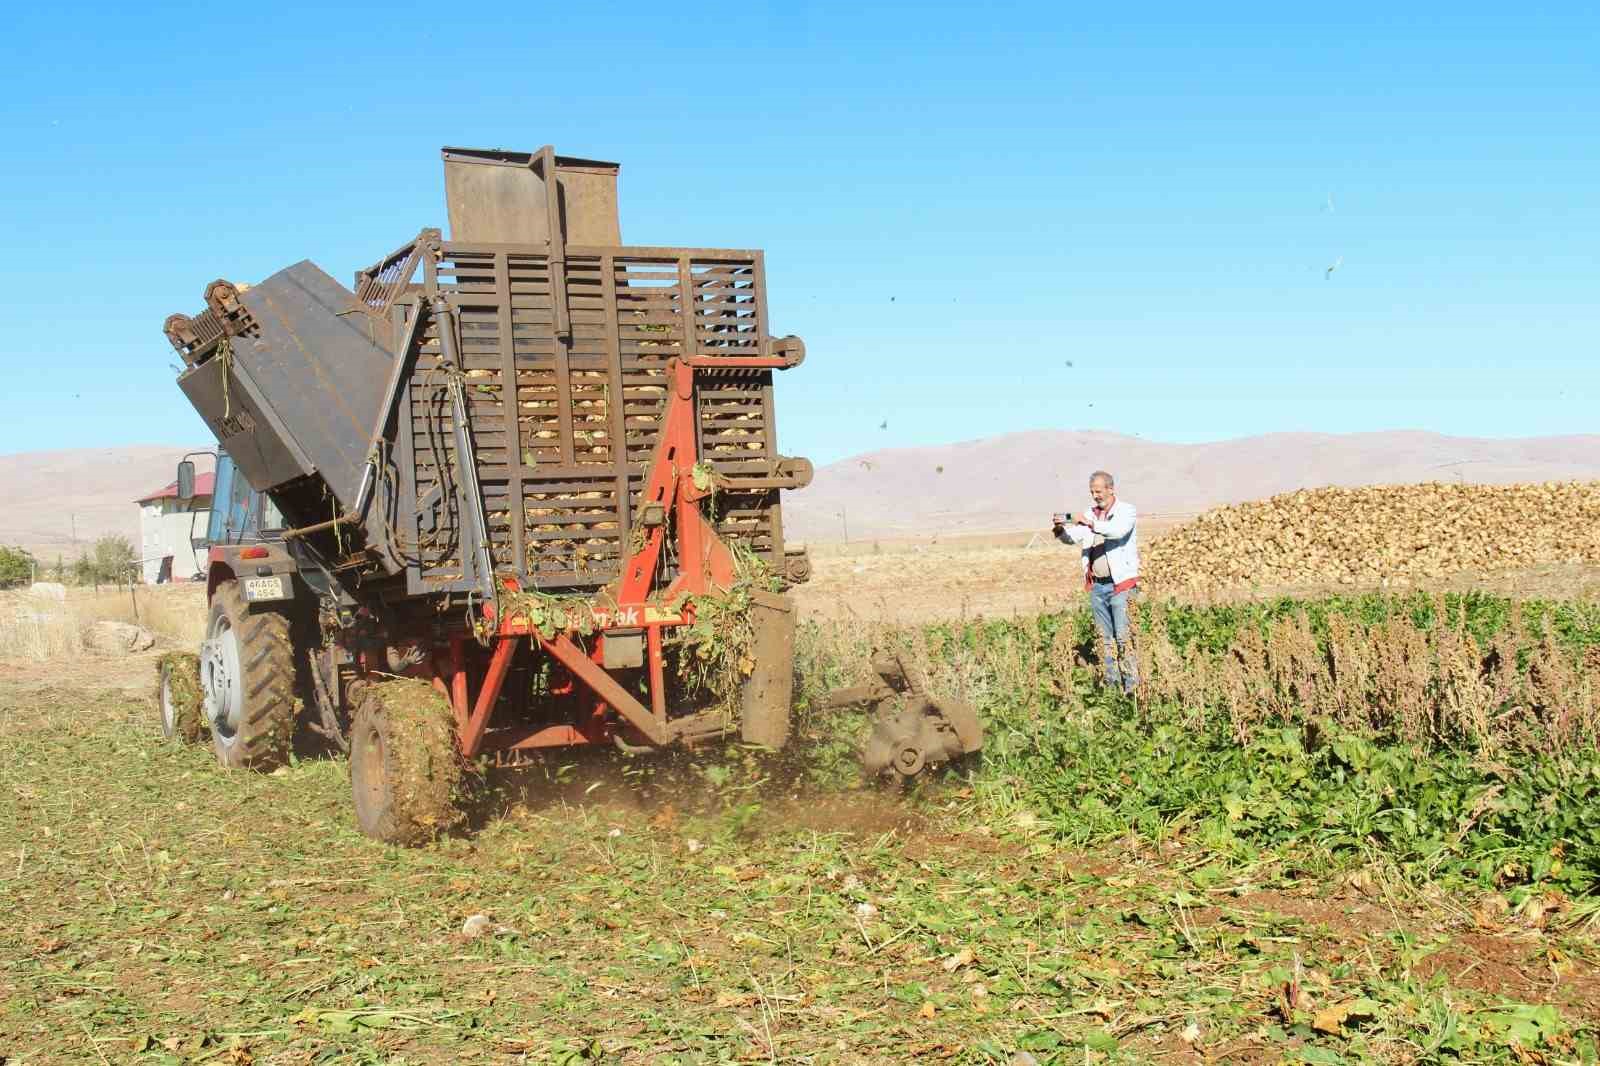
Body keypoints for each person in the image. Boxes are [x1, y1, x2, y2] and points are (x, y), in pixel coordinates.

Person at [1052, 471, 1139, 692]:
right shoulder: (1091, 513)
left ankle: (1132, 688)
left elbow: (1117, 532)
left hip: (1121, 584)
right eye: (1092, 491)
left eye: (1098, 491)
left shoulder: (1126, 511)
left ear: (1111, 489)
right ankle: (1112, 686)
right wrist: (1060, 530)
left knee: (1123, 637)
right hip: (1098, 585)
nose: (1095, 495)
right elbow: (1072, 538)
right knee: (1105, 638)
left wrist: (1089, 523)